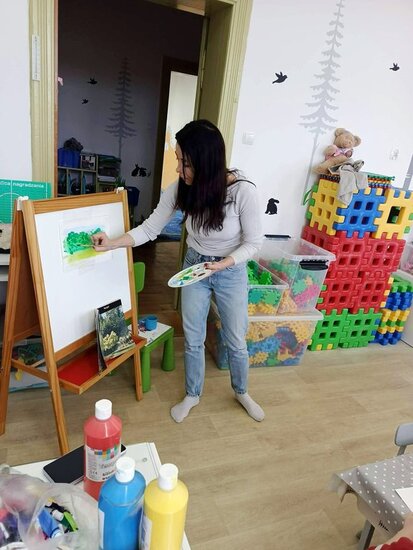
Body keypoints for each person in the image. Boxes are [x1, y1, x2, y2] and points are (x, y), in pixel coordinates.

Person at [92, 119, 264, 423]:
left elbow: (253, 243)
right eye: (178, 159)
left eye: (184, 162)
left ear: (205, 162)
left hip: (230, 269)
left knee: (236, 338)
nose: (178, 169)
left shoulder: (242, 192)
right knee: (194, 337)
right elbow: (149, 229)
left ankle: (242, 391)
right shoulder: (181, 189)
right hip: (195, 265)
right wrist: (112, 243)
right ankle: (192, 394)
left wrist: (224, 263)